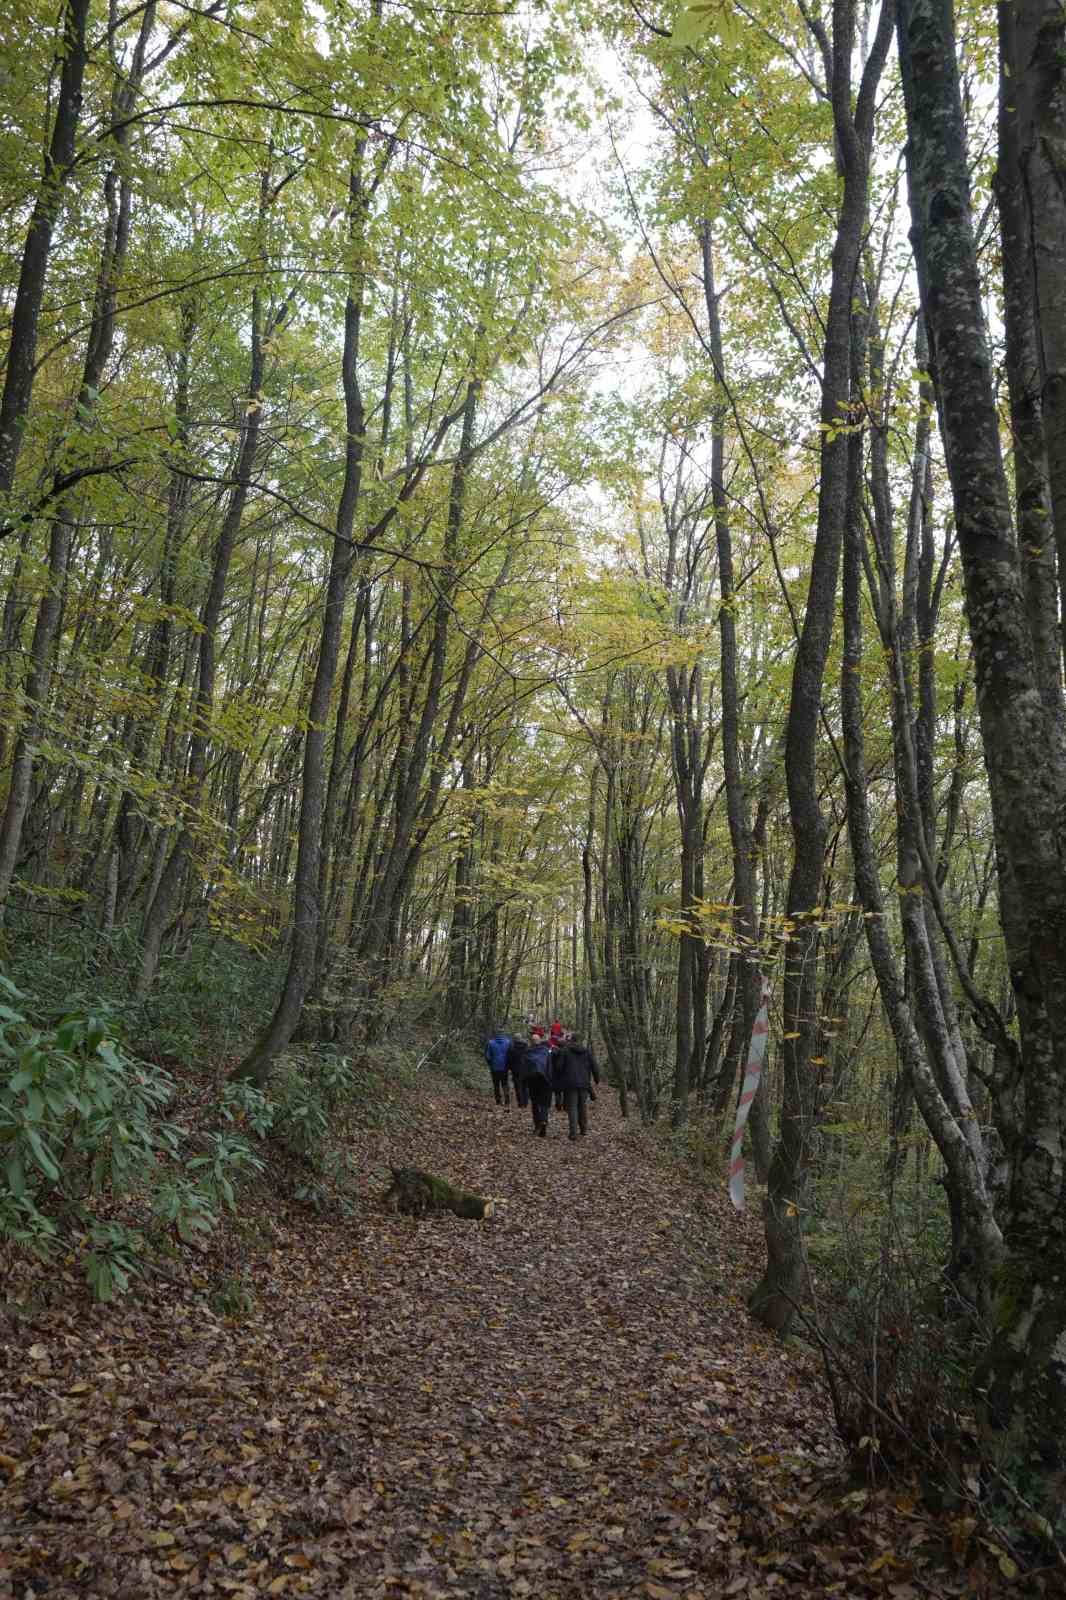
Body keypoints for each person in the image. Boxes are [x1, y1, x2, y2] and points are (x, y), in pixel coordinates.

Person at [553, 1033, 600, 1140]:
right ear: (580, 1040)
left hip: (570, 1084)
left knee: (572, 1107)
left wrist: (559, 1077)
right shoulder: (587, 1051)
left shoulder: (565, 1051)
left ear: (571, 1040)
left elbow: (559, 1067)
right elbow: (594, 1066)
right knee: (582, 1106)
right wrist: (597, 1079)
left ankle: (573, 1133)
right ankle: (583, 1130)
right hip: (584, 1083)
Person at [524, 1035, 554, 1136]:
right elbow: (550, 1066)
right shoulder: (546, 1051)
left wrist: (524, 1082)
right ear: (539, 1041)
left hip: (532, 1081)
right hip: (545, 1081)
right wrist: (550, 1080)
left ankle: (537, 1125)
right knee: (544, 1103)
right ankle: (544, 1121)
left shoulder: (528, 1052)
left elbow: (524, 1068)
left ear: (531, 1042)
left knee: (535, 1103)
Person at [484, 1028, 512, 1107]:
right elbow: (511, 1055)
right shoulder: (508, 1042)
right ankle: (507, 1100)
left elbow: (488, 1056)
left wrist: (490, 1064)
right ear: (503, 1033)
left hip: (494, 1067)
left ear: (495, 1034)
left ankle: (498, 1101)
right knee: (505, 1084)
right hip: (505, 1067)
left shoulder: (490, 1043)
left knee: (496, 1085)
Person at [506, 1035, 530, 1108]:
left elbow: (509, 1059)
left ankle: (520, 1103)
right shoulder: (526, 1047)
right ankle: (525, 1102)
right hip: (525, 1069)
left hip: (515, 1070)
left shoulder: (511, 1048)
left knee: (517, 1086)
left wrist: (509, 1068)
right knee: (525, 1086)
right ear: (521, 1038)